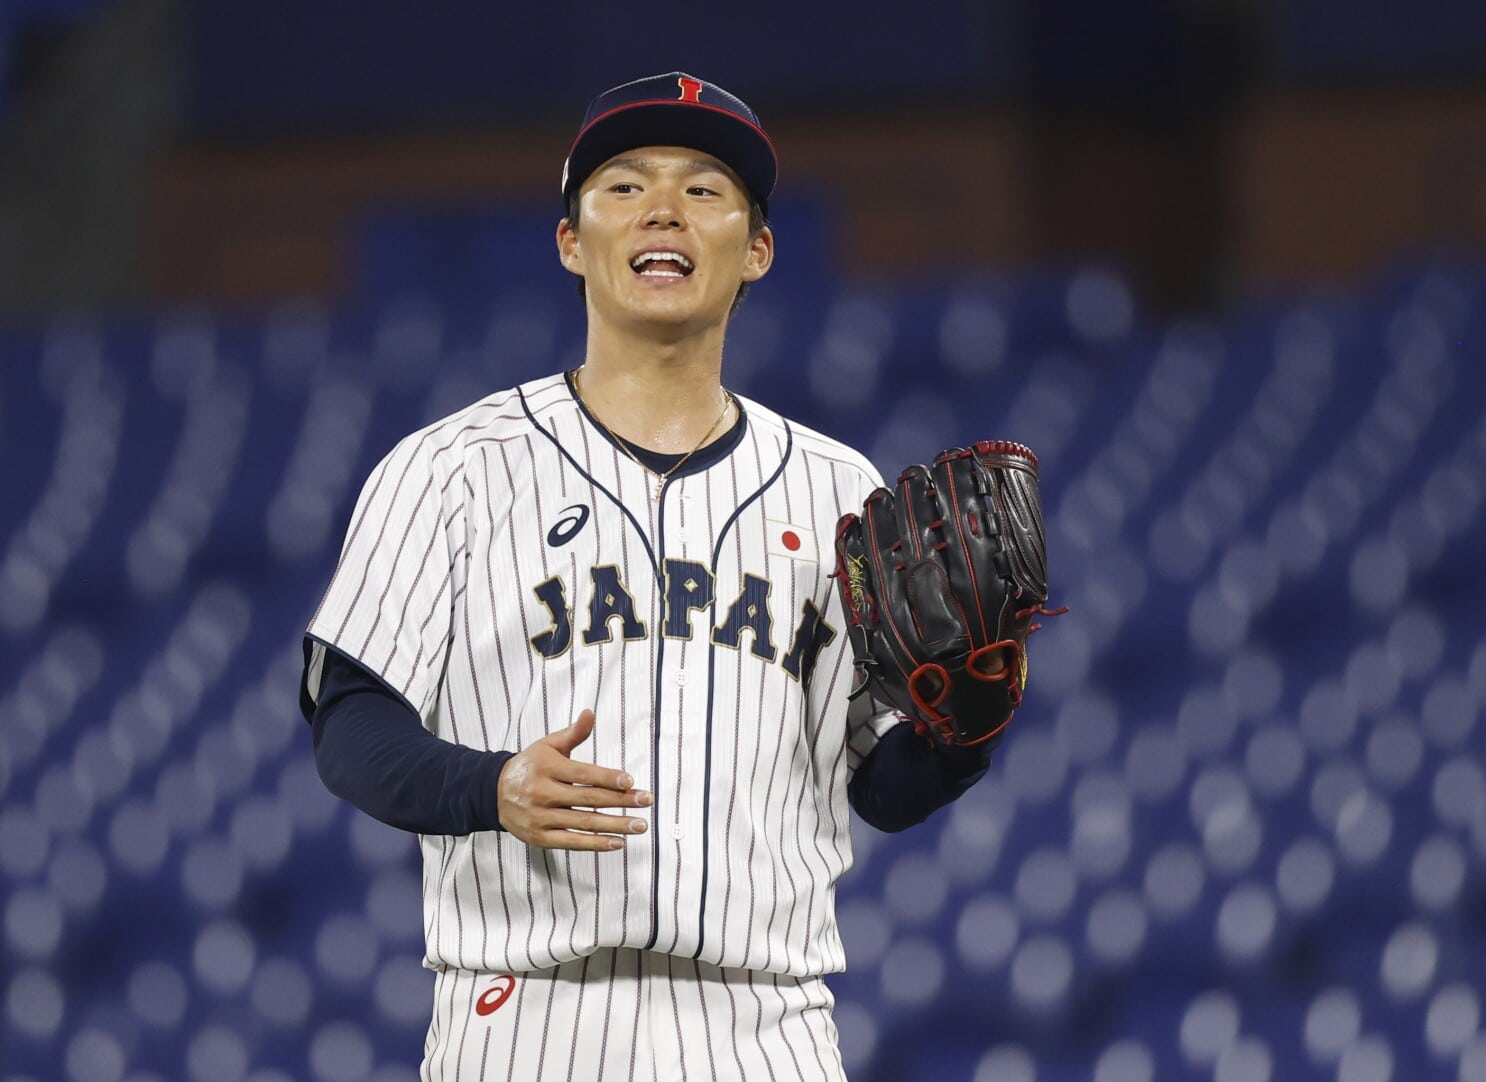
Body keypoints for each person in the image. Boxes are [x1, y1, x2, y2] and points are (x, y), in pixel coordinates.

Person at [300, 72, 999, 1081]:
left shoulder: (838, 489)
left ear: (756, 249)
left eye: (705, 189)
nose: (664, 207)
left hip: (766, 1027)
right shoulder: (450, 467)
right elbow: (351, 729)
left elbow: (879, 787)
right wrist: (488, 785)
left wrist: (965, 732)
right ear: (570, 241)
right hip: (524, 1020)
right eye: (623, 186)